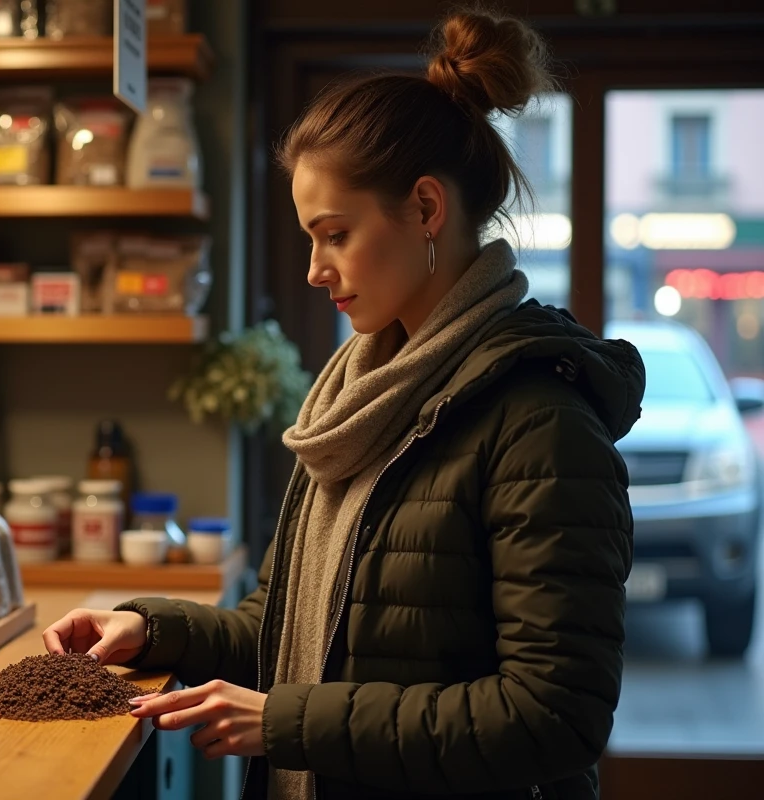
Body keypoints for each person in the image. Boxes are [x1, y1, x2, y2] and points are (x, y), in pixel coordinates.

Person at [44, 9, 645, 800]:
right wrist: (152, 628)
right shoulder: (359, 402)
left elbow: (554, 716)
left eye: (334, 234)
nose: (314, 271)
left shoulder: (539, 420)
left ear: (427, 209)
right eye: (308, 238)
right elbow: (290, 627)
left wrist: (288, 722)